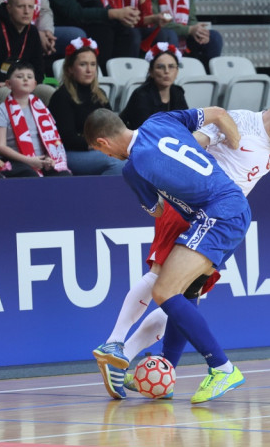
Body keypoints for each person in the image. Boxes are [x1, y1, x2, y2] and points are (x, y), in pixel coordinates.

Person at [91, 86, 270, 400]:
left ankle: (152, 360)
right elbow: (194, 143)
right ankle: (127, 348)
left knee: (179, 292)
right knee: (166, 285)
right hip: (194, 208)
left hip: (215, 212)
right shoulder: (241, 121)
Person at [84, 105, 249, 404]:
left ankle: (222, 368)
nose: (108, 157)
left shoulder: (133, 168)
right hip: (230, 201)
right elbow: (216, 113)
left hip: (217, 214)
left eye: (103, 152)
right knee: (182, 294)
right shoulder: (159, 119)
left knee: (163, 288)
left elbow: (158, 210)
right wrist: (235, 143)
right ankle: (167, 368)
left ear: (103, 143)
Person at [47, 38, 125, 175]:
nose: (89, 70)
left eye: (93, 64)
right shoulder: (61, 97)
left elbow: (113, 127)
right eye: (83, 64)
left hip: (98, 149)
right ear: (70, 69)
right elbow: (67, 138)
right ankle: (102, 196)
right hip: (70, 153)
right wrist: (98, 145)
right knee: (116, 162)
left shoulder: (100, 95)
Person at [0, 62, 72, 177]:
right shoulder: (0, 111)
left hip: (41, 161)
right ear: (8, 84)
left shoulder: (41, 108)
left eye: (29, 77)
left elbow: (50, 138)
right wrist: (29, 160)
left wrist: (49, 157)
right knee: (29, 173)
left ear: (34, 84)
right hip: (17, 162)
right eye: (19, 76)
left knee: (64, 175)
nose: (25, 80)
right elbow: (0, 146)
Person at [120, 42, 189, 129]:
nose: (167, 71)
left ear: (177, 71)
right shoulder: (141, 95)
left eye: (171, 66)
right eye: (160, 67)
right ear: (151, 72)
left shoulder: (178, 92)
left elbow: (187, 123)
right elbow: (146, 130)